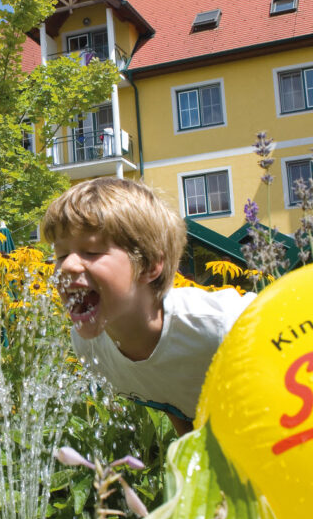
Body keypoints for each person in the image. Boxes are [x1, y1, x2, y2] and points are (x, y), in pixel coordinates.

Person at [41, 177, 255, 436]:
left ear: (150, 265)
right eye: (61, 255)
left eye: (91, 251)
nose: (67, 266)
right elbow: (172, 399)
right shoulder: (89, 346)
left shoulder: (222, 327)